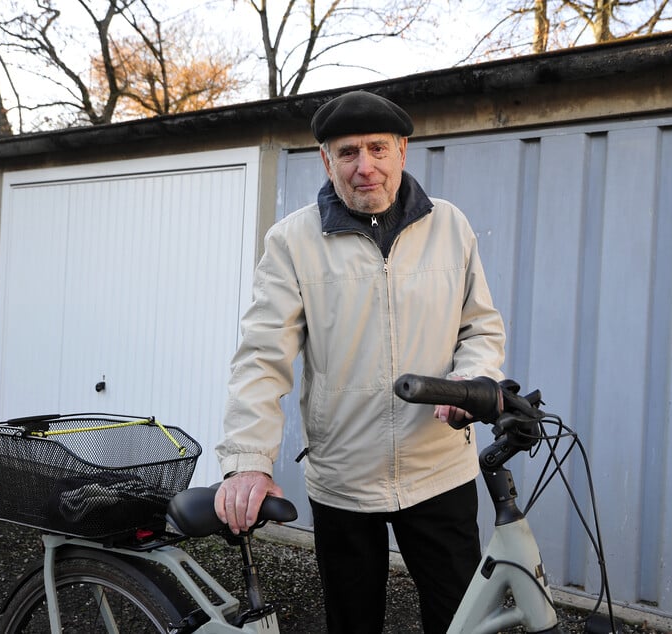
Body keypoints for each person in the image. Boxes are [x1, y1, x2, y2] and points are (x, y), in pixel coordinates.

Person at [214, 90, 506, 634]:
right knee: (352, 624)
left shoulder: (450, 226)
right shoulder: (291, 241)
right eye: (347, 152)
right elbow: (261, 356)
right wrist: (248, 460)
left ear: (402, 150)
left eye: (377, 148)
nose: (364, 166)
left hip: (437, 469)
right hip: (343, 477)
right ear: (326, 160)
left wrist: (471, 379)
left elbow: (480, 326)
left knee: (459, 623)